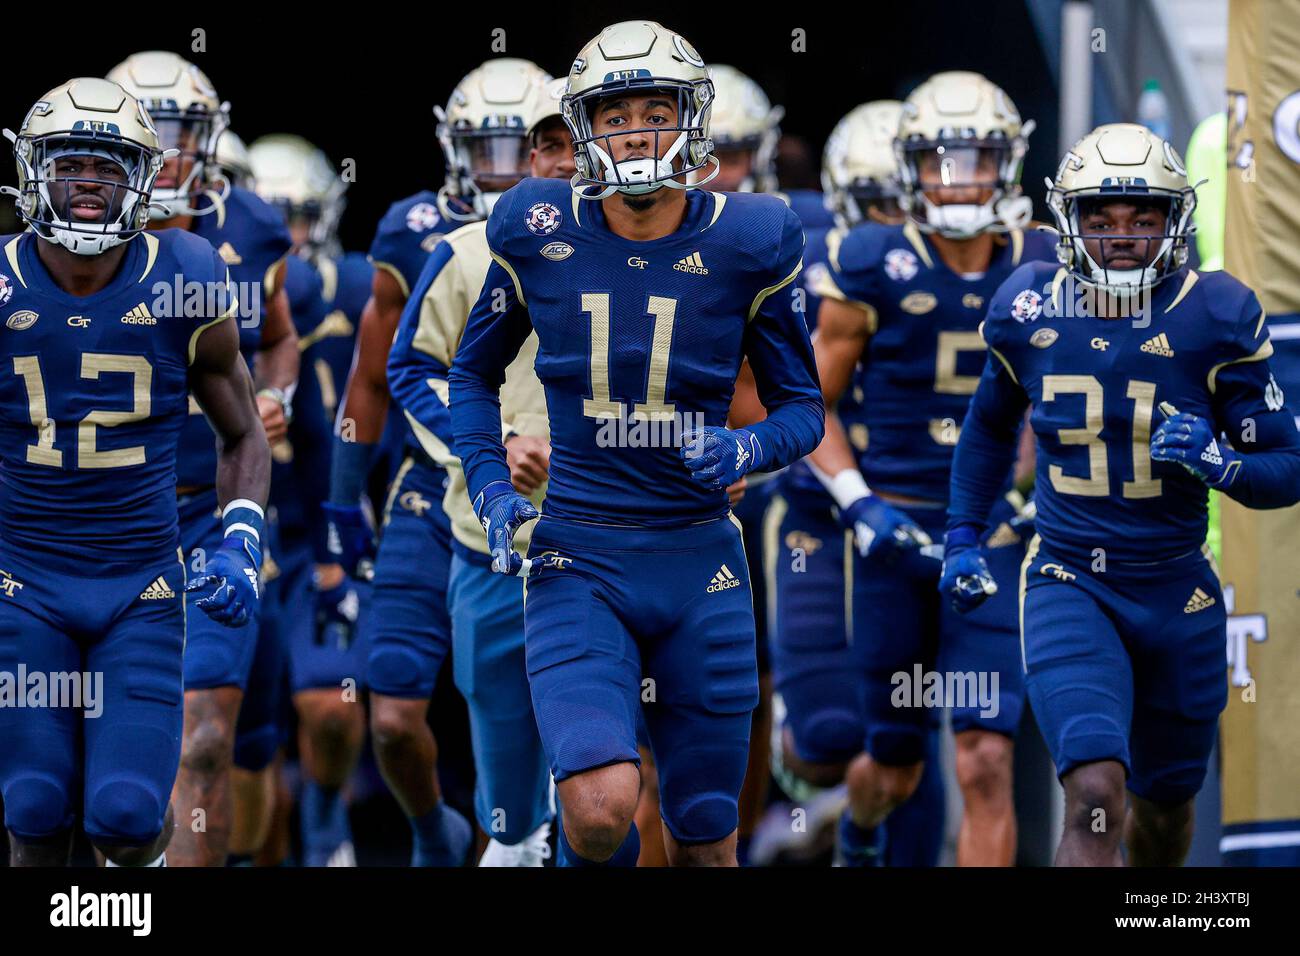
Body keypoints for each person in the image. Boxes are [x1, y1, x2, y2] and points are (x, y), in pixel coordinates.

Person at [448, 20, 823, 866]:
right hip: (580, 553)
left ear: (692, 119)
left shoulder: (751, 237)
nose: (638, 131)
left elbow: (804, 409)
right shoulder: (534, 226)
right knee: (599, 805)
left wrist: (747, 450)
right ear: (583, 128)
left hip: (701, 561)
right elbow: (470, 376)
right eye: (616, 116)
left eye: (657, 111)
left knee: (704, 830)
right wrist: (490, 484)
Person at [941, 122, 1300, 866]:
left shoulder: (1218, 312)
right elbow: (986, 431)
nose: (1123, 236)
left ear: (1177, 222)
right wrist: (962, 538)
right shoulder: (1030, 307)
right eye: (1101, 220)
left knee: (1166, 816)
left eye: (1145, 218)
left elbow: (1287, 467)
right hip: (1069, 579)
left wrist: (1221, 463)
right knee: (1097, 790)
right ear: (1068, 223)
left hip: (1177, 590)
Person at [0, 77, 269, 867]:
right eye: (71, 163)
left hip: (141, 589)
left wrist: (241, 538)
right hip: (23, 583)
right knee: (35, 806)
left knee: (123, 815)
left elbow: (243, 431)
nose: (88, 180)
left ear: (144, 178)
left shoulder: (185, 272)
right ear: (34, 172)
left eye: (108, 166)